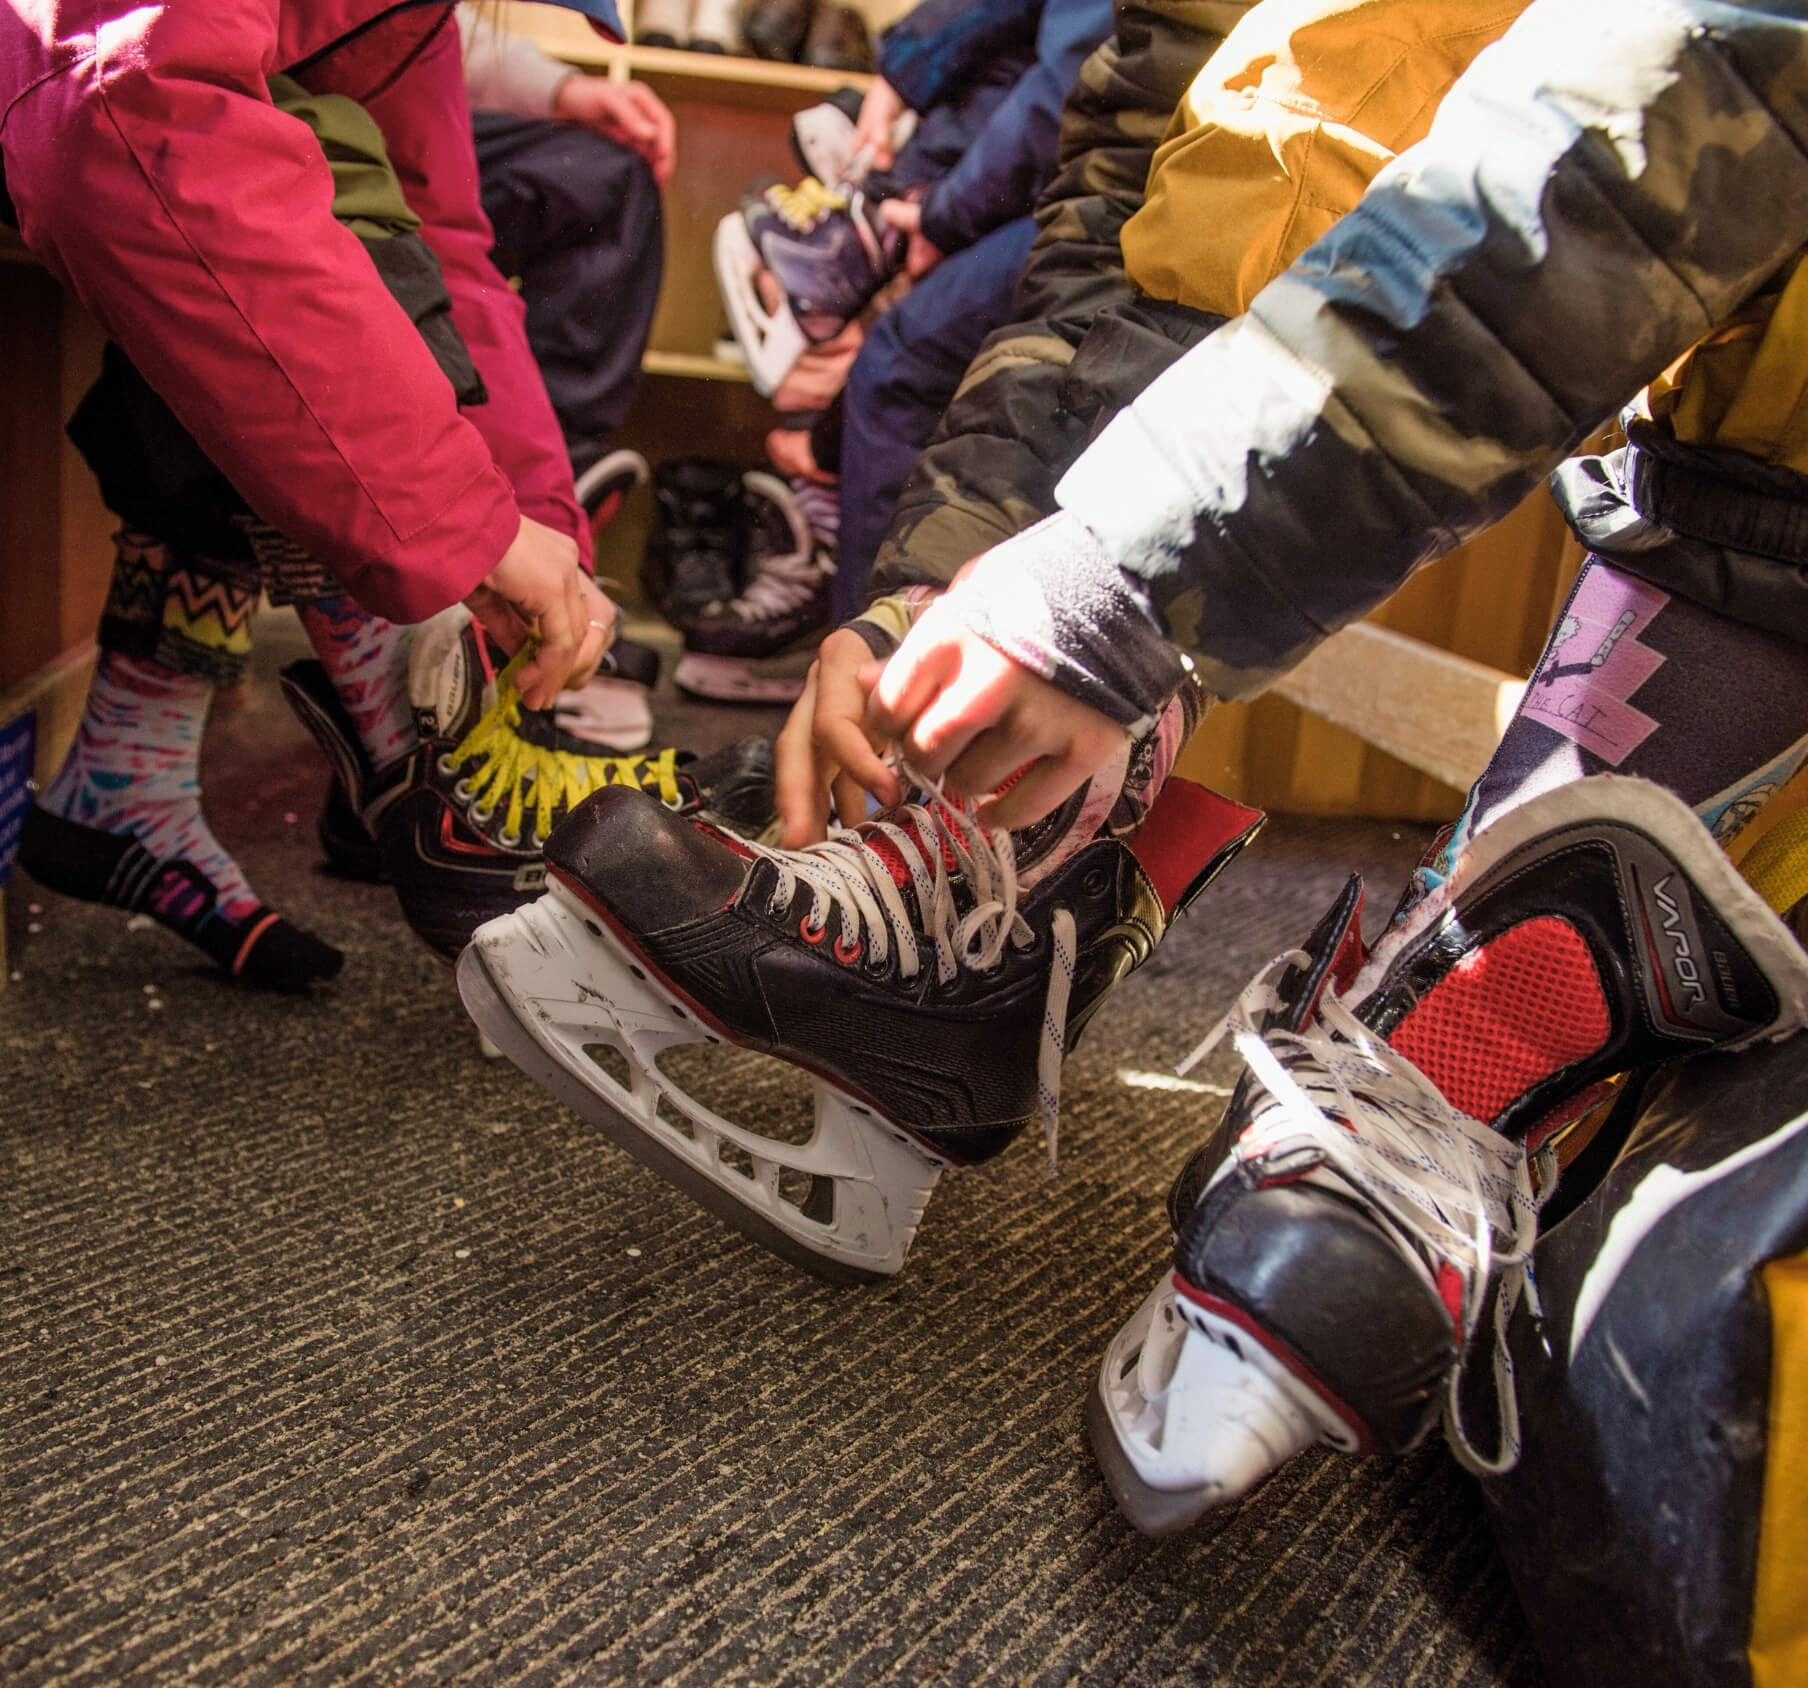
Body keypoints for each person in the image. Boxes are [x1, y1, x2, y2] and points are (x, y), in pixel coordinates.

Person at [0, 0, 698, 984]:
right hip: (56, 77)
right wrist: (462, 527)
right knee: (299, 175)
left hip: (79, 84)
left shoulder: (409, 20)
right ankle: (404, 748)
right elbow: (128, 103)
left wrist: (533, 511)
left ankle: (129, 769)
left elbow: (447, 234)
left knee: (309, 181)